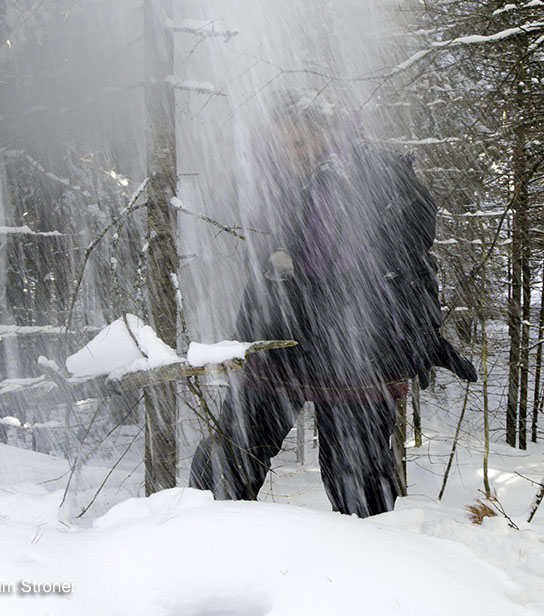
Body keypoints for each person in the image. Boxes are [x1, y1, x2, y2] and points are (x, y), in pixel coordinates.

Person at [189, 89, 476, 517]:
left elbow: (411, 255)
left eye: (300, 143)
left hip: (355, 347)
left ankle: (382, 571)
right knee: (230, 457)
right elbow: (265, 244)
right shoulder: (276, 178)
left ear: (328, 132)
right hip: (281, 337)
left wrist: (419, 330)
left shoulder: (371, 172)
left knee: (356, 479)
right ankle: (199, 543)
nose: (291, 154)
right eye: (283, 145)